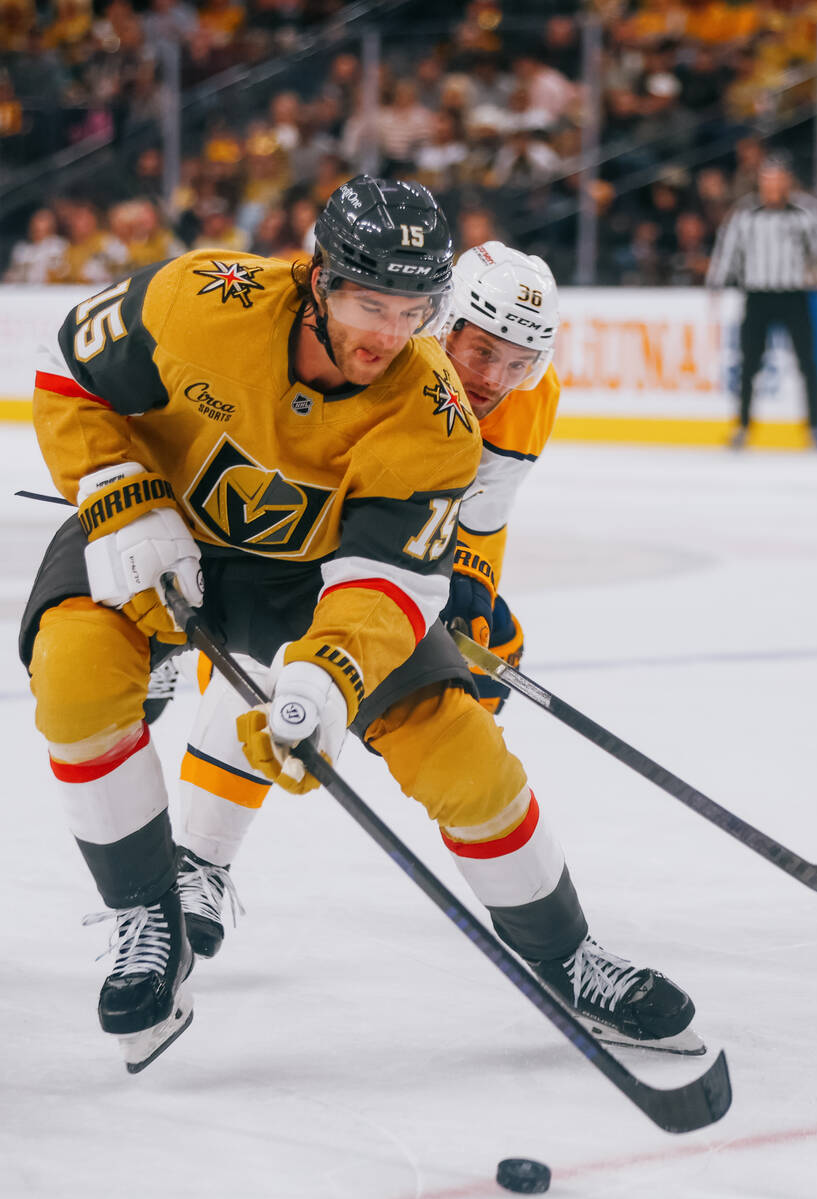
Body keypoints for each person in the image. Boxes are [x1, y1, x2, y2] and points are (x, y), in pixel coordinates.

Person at [20, 176, 698, 1073]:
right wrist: (117, 489)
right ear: (317, 278)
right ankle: (152, 913)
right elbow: (68, 365)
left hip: (312, 578)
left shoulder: (437, 415)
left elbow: (385, 580)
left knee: (456, 742)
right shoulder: (201, 298)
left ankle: (568, 958)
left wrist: (326, 678)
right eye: (369, 302)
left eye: (413, 308)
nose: (388, 333)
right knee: (73, 673)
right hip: (161, 530)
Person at [173, 241, 562, 945]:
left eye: (518, 362)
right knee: (265, 664)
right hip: (282, 512)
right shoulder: (367, 353)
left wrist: (468, 587)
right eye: (481, 352)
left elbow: (478, 510)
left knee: (486, 654)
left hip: (389, 528)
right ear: (440, 327)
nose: (495, 380)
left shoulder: (531, 400)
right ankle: (197, 862)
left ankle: (502, 856)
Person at [706, 155, 817, 448]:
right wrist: (716, 282)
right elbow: (727, 248)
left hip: (794, 295)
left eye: (777, 178)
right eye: (767, 179)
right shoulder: (745, 214)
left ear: (787, 181)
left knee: (807, 362)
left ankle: (815, 429)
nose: (772, 185)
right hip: (758, 296)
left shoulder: (806, 212)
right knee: (749, 363)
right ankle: (743, 426)